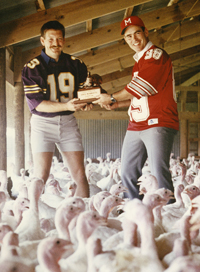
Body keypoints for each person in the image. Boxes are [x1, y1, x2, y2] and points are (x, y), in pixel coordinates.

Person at [93, 16, 179, 200]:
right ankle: (136, 211)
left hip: (158, 120)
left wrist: (112, 97)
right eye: (128, 37)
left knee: (158, 173)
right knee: (127, 172)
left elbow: (143, 86)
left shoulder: (156, 55)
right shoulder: (139, 61)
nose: (134, 39)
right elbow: (141, 96)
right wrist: (117, 103)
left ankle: (169, 216)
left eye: (137, 33)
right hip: (137, 124)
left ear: (146, 32)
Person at [22, 20, 91, 198]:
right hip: (42, 123)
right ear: (42, 41)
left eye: (59, 39)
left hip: (68, 123)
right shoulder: (32, 68)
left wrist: (89, 100)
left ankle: (84, 219)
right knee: (41, 175)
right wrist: (67, 105)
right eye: (51, 39)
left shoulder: (76, 64)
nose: (55, 43)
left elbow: (85, 91)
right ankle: (32, 213)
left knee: (80, 176)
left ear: (64, 40)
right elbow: (37, 104)